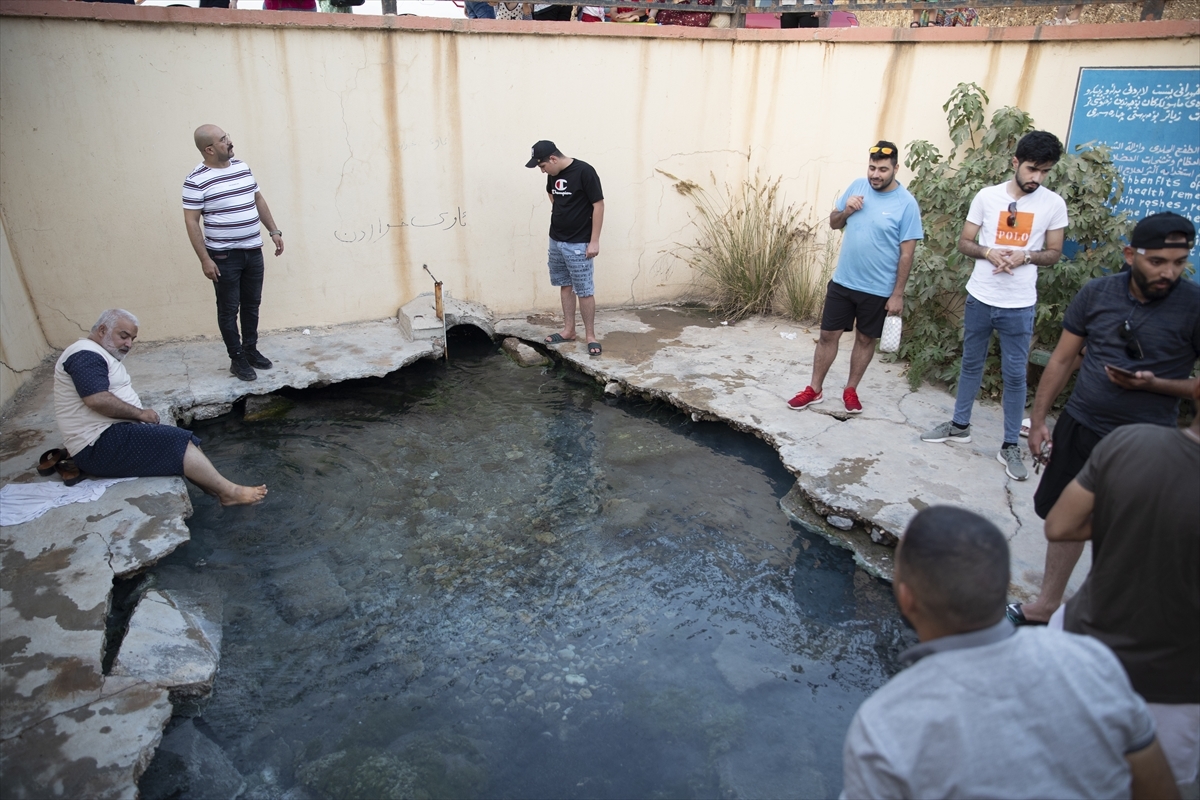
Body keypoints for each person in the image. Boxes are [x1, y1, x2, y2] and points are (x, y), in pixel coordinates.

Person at [841, 505, 1179, 799]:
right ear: (1001, 584)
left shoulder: (887, 725)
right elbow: (1157, 787)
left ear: (906, 598)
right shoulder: (1092, 661)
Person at [1007, 212, 1200, 626]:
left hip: (1147, 441)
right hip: (1081, 424)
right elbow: (1061, 360)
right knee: (1061, 519)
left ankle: (1101, 616)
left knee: (1124, 531)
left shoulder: (1194, 307)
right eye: (1157, 261)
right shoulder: (1097, 294)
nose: (1169, 272)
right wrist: (1039, 420)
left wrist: (1156, 384)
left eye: (1179, 263)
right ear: (1131, 255)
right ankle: (1046, 605)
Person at [1043, 379, 1200, 787]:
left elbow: (1060, 525)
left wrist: (1131, 520)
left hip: (1079, 649)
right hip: (1172, 690)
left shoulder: (1130, 443)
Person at [921, 130, 1068, 482]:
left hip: (1019, 304)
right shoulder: (987, 197)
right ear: (1015, 162)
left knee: (1015, 375)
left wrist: (1025, 256)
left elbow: (1054, 252)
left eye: (1045, 172)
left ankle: (1008, 446)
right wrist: (989, 251)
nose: (1037, 178)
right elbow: (965, 242)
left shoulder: (1053, 204)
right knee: (971, 363)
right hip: (981, 297)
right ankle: (960, 426)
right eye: (1032, 169)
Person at [53, 309, 268, 506]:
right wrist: (139, 413)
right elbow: (96, 399)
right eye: (124, 336)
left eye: (132, 339)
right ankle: (228, 492)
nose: (128, 344)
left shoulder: (95, 354)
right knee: (177, 441)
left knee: (188, 439)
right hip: (96, 447)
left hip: (107, 436)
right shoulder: (85, 354)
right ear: (102, 330)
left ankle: (219, 493)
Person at [787, 141, 923, 415]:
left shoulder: (906, 204)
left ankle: (850, 390)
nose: (876, 174)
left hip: (878, 289)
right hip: (844, 282)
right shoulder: (857, 186)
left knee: (864, 340)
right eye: (872, 167)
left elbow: (907, 254)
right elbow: (834, 222)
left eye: (883, 169)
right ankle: (814, 389)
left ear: (896, 168)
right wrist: (847, 210)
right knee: (827, 336)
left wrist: (897, 294)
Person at [183, 124, 285, 382]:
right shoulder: (196, 180)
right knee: (228, 309)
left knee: (252, 304)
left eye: (227, 137)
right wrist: (205, 259)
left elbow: (257, 199)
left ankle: (250, 350)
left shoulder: (242, 167)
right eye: (223, 139)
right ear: (209, 149)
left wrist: (274, 230)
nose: (229, 142)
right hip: (224, 258)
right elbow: (192, 221)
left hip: (253, 251)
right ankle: (236, 358)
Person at [526, 140, 605, 356]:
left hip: (579, 243)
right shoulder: (553, 174)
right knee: (565, 284)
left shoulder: (585, 172)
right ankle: (569, 330)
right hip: (556, 240)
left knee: (585, 290)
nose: (542, 171)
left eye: (542, 166)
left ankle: (590, 336)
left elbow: (598, 205)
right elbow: (553, 196)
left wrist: (594, 240)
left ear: (553, 159)